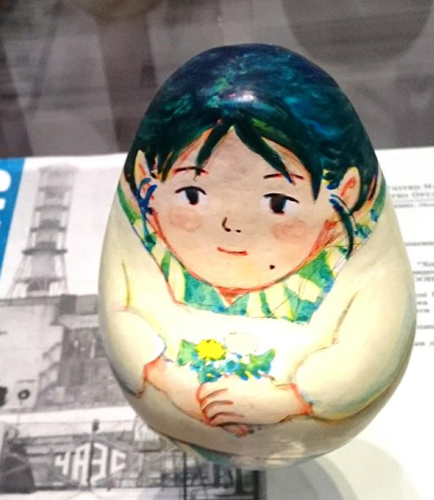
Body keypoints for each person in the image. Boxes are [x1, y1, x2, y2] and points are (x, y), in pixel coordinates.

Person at [99, 45, 415, 464]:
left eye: (279, 203)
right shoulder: (149, 240)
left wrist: (292, 399)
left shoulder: (344, 255)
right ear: (147, 182)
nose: (231, 225)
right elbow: (121, 310)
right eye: (192, 194)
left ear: (345, 194)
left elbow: (373, 341)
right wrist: (160, 373)